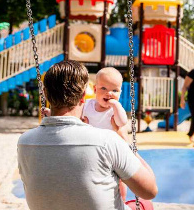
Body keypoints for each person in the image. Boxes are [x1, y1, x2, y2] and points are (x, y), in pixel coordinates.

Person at [18, 60, 157, 210]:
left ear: (45, 94)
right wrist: (125, 143)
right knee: (145, 205)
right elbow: (149, 191)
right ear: (84, 95)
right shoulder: (108, 141)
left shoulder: (24, 142)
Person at [82, 67, 129, 200]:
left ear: (120, 92)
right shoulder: (87, 105)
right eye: (104, 89)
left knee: (120, 180)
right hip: (92, 150)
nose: (109, 93)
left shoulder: (115, 110)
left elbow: (122, 122)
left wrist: (116, 105)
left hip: (112, 151)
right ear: (95, 90)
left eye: (115, 90)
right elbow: (73, 116)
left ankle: (122, 201)